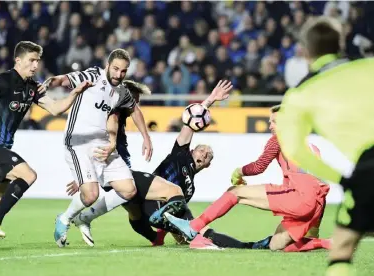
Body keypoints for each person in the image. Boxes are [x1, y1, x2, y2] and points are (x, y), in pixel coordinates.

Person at [71, 80, 256, 249]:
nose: (205, 153)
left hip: (152, 216)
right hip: (147, 203)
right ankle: (84, 216)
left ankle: (247, 246)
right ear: (192, 151)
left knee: (199, 228)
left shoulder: (190, 188)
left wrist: (178, 235)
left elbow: (177, 215)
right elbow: (191, 122)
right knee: (195, 227)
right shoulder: (180, 155)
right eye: (202, 150)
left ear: (207, 165)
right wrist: (210, 100)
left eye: (208, 156)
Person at [0, 41, 92, 246]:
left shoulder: (32, 87)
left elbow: (56, 109)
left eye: (37, 61)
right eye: (31, 60)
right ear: (18, 60)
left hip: (0, 150)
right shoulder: (4, 80)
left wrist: (75, 92)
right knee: (29, 175)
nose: (35, 65)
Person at [275, 17, 374, 276]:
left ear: (306, 51)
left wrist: (341, 178)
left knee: (341, 251)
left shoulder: (300, 94)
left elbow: (295, 151)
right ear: (341, 43)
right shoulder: (368, 66)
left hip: (369, 165)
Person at [164, 105, 331, 252]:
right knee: (277, 245)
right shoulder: (312, 147)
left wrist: (238, 172)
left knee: (235, 192)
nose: (270, 125)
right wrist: (314, 226)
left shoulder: (279, 138)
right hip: (315, 203)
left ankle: (193, 227)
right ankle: (326, 243)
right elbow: (320, 188)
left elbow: (259, 166)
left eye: (274, 121)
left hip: (298, 197)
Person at [41, 49, 156, 247]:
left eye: (123, 71)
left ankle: (84, 218)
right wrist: (50, 82)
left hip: (102, 145)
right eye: (116, 69)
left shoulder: (121, 91)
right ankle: (65, 218)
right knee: (91, 194)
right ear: (108, 65)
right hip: (78, 143)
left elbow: (135, 110)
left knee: (129, 190)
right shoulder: (92, 76)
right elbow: (64, 80)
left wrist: (146, 137)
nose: (119, 74)